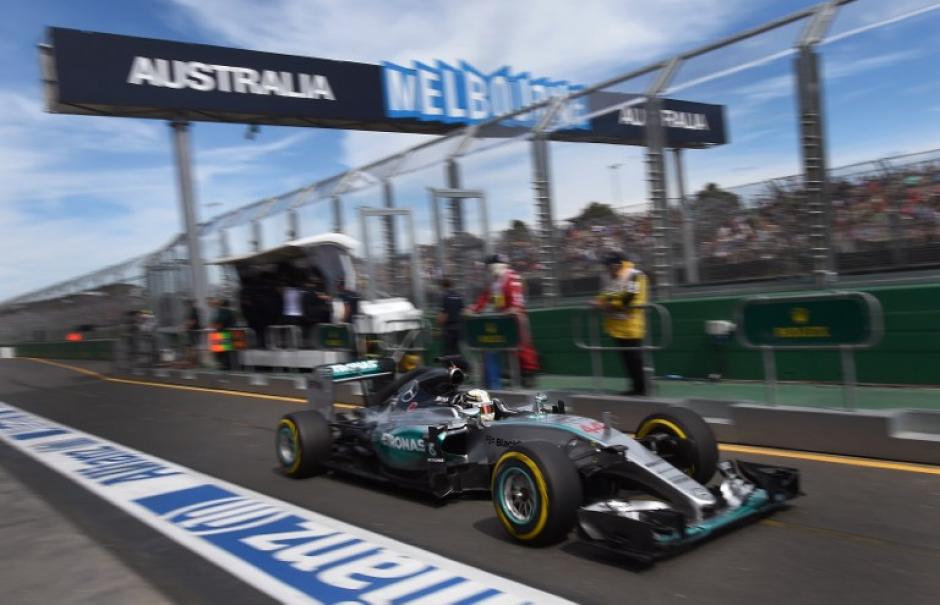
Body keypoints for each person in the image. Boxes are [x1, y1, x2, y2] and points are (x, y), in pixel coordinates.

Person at [470, 254, 540, 388]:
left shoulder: (512, 277)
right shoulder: (495, 282)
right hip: (502, 318)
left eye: (488, 267)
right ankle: (511, 373)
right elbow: (486, 298)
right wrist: (474, 308)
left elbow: (516, 299)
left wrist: (514, 308)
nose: (487, 270)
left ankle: (528, 373)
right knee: (502, 345)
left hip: (515, 317)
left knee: (522, 345)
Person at [594, 251, 648, 396]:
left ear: (616, 265)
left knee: (634, 359)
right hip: (617, 327)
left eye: (607, 267)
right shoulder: (615, 278)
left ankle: (641, 388)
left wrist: (608, 306)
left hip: (630, 325)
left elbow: (629, 298)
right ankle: (636, 387)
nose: (605, 270)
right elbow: (607, 294)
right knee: (627, 360)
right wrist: (598, 301)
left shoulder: (635, 275)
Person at [438, 277, 464, 357]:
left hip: (449, 328)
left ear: (443, 286)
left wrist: (439, 326)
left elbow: (444, 314)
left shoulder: (445, 296)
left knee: (448, 350)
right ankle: (458, 367)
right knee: (457, 349)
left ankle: (449, 368)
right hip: (458, 326)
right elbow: (462, 310)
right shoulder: (458, 295)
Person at [210, 298, 236, 370]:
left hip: (221, 333)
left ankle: (224, 365)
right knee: (226, 351)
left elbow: (220, 322)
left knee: (221, 352)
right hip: (228, 332)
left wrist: (215, 327)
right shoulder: (230, 312)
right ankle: (227, 365)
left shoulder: (223, 311)